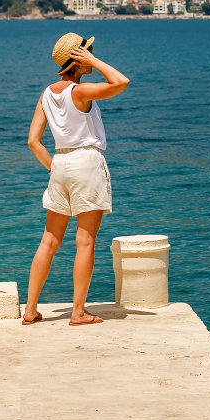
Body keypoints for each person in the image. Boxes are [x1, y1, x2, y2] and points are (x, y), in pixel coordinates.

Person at [23, 31, 130, 325]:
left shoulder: (47, 93)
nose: (92, 54)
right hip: (85, 162)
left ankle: (30, 309)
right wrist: (95, 60)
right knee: (85, 241)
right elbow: (121, 82)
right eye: (88, 51)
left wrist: (52, 168)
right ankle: (78, 312)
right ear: (78, 58)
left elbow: (34, 141)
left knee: (49, 240)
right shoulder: (79, 92)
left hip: (60, 162)